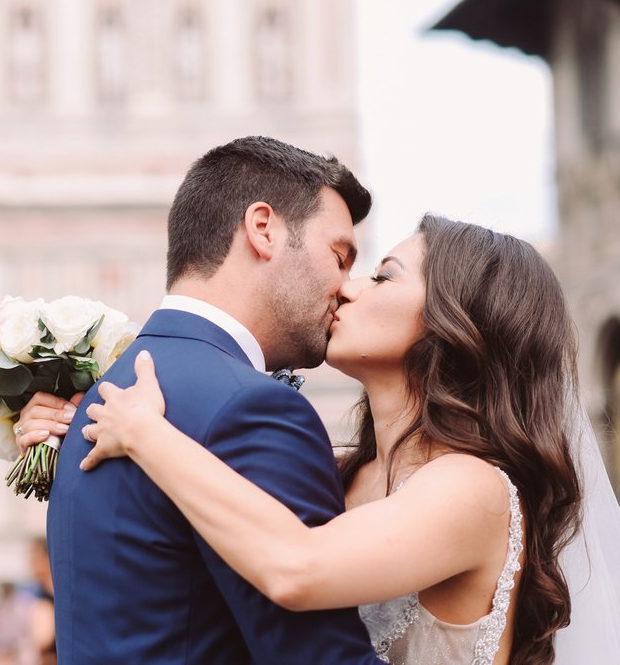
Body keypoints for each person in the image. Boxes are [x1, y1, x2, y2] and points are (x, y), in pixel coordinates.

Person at [66, 216, 620, 664]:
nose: (347, 288)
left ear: (454, 321)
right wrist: (69, 429)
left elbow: (296, 568)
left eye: (383, 277)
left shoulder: (474, 488)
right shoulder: (343, 472)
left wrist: (146, 434)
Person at [22, 136, 383, 663]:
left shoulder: (103, 394)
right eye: (340, 257)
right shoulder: (256, 409)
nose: (347, 287)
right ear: (264, 230)